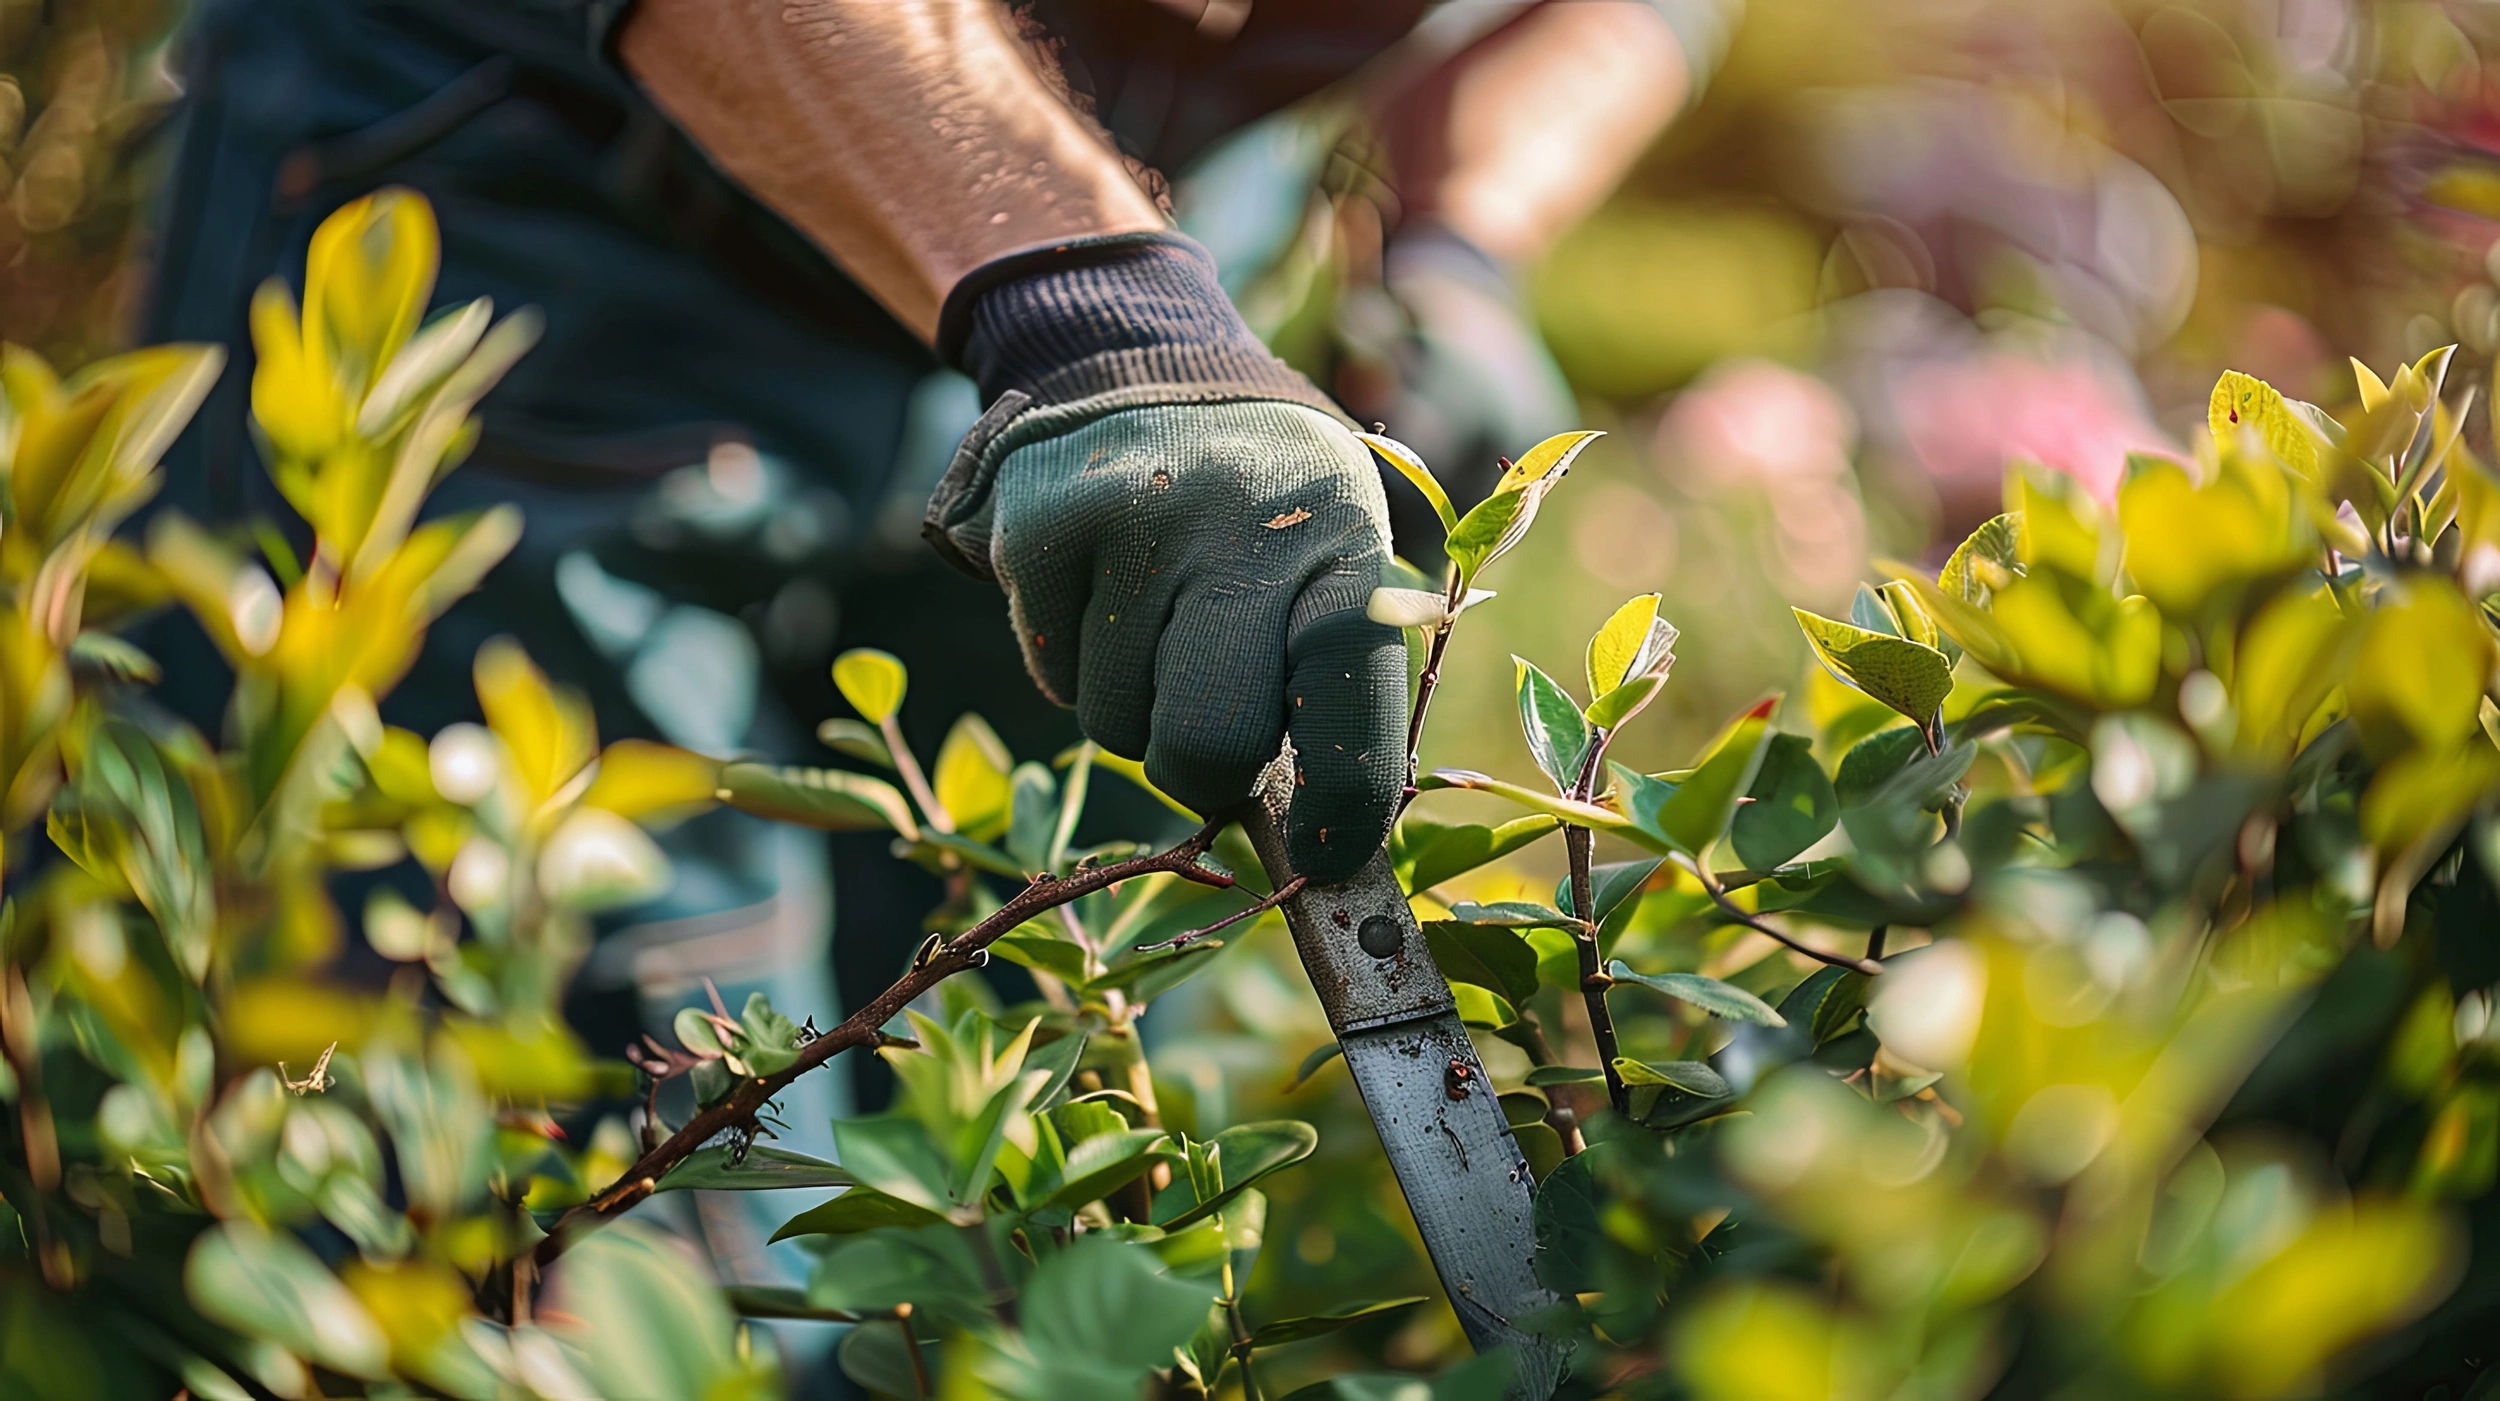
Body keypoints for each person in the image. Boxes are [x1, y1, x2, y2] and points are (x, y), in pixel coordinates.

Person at [140, 0, 1719, 1374]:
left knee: (974, 1157)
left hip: (1123, 279)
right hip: (534, 204)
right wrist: (1106, 318)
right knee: (560, 1180)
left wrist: (1459, 247)